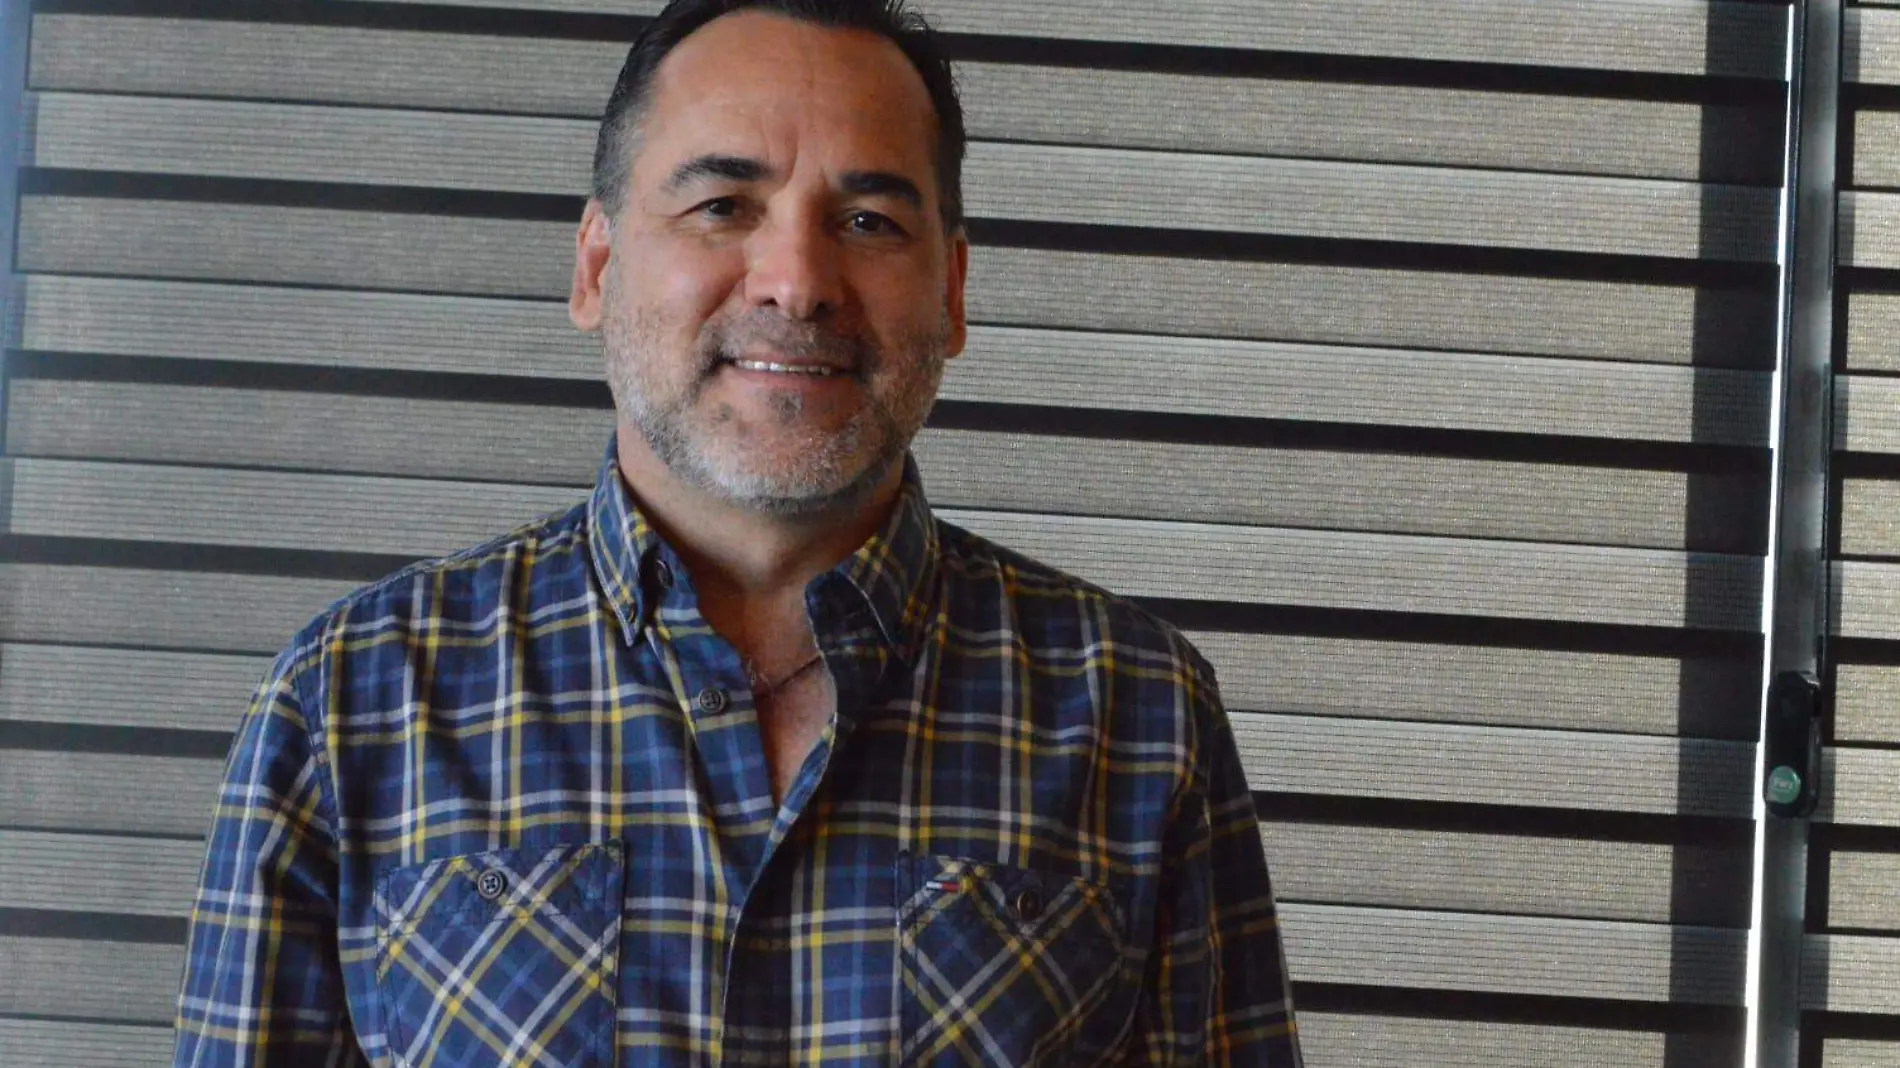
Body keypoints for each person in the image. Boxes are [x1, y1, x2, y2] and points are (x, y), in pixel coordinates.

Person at [171, 0, 1303, 1064]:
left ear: (953, 291)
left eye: (868, 221)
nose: (797, 282)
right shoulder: (352, 702)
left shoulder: (1139, 714)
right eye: (722, 206)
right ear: (597, 267)